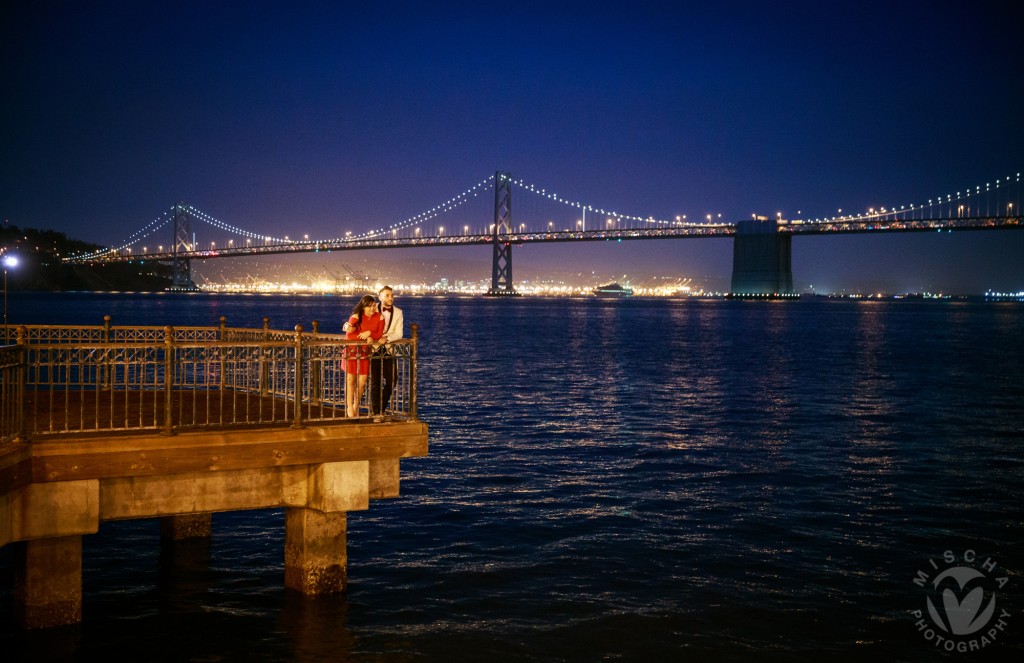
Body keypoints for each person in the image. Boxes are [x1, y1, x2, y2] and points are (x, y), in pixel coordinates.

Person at [343, 294, 384, 417]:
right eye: (369, 306)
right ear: (363, 307)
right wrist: (365, 338)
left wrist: (369, 333)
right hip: (352, 351)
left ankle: (356, 405)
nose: (372, 309)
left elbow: (379, 334)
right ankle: (350, 407)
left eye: (374, 306)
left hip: (365, 352)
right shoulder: (356, 317)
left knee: (362, 382)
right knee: (351, 380)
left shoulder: (380, 317)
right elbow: (349, 335)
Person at [369, 285, 404, 418]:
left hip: (388, 348)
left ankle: (381, 407)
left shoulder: (399, 312)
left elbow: (399, 333)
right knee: (375, 381)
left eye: (392, 295)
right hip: (374, 348)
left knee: (392, 380)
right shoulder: (372, 309)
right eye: (387, 295)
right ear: (380, 297)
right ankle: (376, 412)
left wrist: (387, 338)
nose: (391, 298)